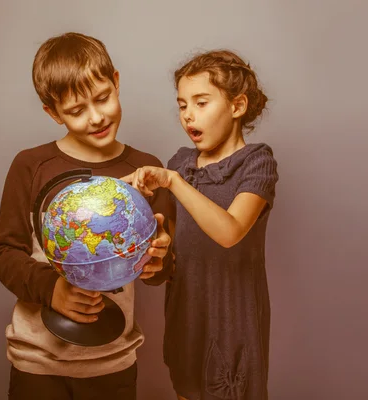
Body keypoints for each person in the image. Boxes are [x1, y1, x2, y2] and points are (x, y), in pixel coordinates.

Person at [0, 32, 173, 400]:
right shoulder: (30, 166)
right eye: (76, 111)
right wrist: (52, 289)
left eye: (103, 98)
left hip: (113, 364)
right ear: (52, 112)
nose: (96, 117)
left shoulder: (148, 170)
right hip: (38, 365)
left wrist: (161, 261)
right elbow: (4, 255)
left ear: (116, 81)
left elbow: (161, 271)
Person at [122, 50, 279, 400]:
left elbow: (230, 231)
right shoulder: (181, 162)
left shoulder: (257, 163)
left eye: (201, 102)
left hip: (232, 318)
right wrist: (151, 233)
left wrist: (174, 182)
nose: (188, 115)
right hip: (187, 316)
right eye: (182, 105)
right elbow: (173, 244)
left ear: (237, 106)